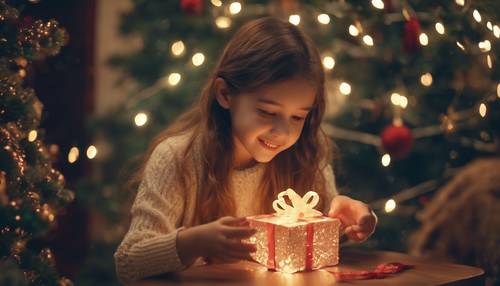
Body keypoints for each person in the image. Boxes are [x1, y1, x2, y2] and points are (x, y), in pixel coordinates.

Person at [114, 17, 377, 283]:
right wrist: (193, 242)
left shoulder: (305, 155)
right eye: (267, 112)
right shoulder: (177, 158)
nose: (283, 132)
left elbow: (319, 246)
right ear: (225, 94)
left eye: (297, 117)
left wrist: (345, 223)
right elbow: (128, 262)